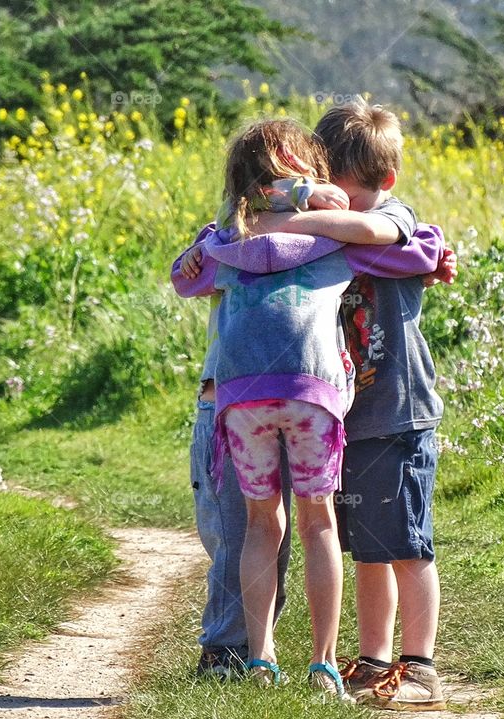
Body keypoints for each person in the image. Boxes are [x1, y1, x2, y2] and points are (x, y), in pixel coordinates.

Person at [174, 118, 446, 701]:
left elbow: (185, 279)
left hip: (244, 399)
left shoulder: (229, 240)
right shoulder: (337, 244)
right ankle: (326, 663)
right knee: (323, 525)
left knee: (259, 525)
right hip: (317, 397)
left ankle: (259, 658)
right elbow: (416, 253)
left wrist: (210, 245)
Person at [171, 226, 293, 682]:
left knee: (272, 538)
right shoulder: (225, 240)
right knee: (232, 531)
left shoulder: (316, 238)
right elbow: (187, 278)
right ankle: (223, 652)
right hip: (224, 401)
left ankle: (254, 649)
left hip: (287, 400)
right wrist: (194, 253)